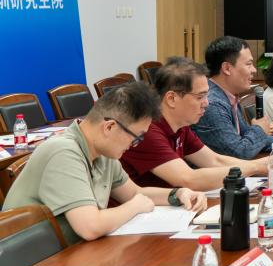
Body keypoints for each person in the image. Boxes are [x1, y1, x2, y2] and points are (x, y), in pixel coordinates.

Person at [2, 82, 207, 243]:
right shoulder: (63, 152)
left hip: (67, 253)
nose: (134, 145)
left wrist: (178, 194)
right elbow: (90, 227)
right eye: (136, 138)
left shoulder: (103, 152)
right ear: (109, 127)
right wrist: (134, 207)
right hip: (28, 264)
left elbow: (135, 193)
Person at [121, 57, 273, 190]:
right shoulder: (147, 130)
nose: (206, 103)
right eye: (200, 97)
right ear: (172, 99)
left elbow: (214, 160)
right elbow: (188, 179)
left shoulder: (180, 126)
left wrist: (263, 164)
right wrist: (256, 167)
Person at [192, 35, 273, 158]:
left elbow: (248, 139)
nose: (254, 70)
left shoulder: (229, 96)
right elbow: (239, 152)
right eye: (249, 64)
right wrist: (259, 129)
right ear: (227, 68)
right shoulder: (212, 104)